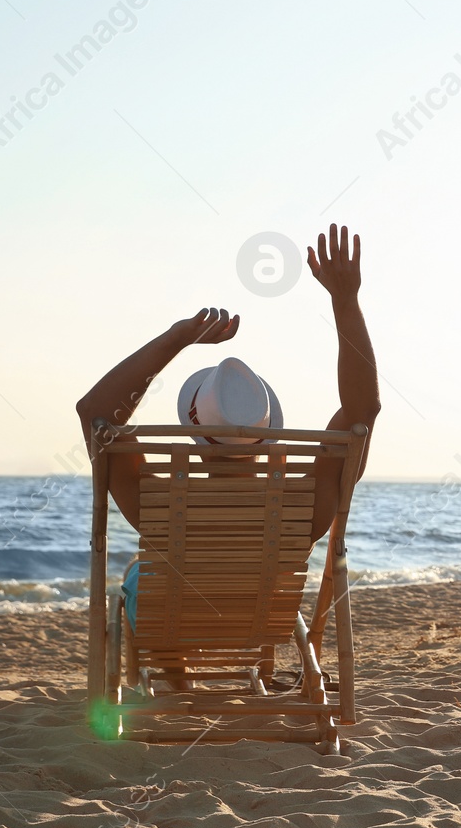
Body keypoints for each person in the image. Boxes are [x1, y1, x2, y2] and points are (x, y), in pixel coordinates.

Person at [76, 224, 380, 631]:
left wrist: (174, 340)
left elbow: (95, 413)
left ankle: (179, 679)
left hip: (171, 628)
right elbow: (363, 412)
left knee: (137, 574)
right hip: (257, 629)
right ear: (267, 429)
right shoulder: (303, 509)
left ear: (194, 431)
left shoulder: (158, 508)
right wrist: (346, 301)